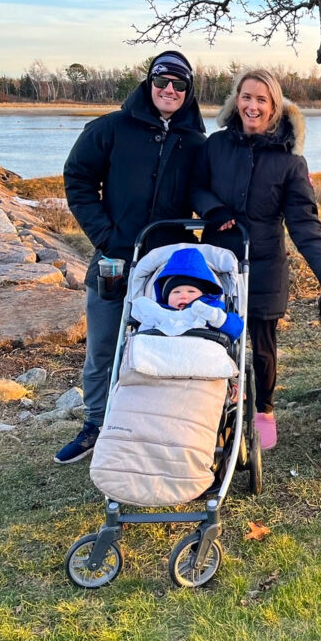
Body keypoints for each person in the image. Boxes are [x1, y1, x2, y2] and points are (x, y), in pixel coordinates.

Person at [54, 51, 207, 464]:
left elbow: (204, 192)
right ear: (148, 83)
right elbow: (78, 179)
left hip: (165, 267)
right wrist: (105, 235)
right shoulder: (111, 128)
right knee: (104, 347)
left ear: (189, 91)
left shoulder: (195, 141)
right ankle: (95, 425)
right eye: (162, 81)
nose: (169, 90)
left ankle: (151, 427)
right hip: (113, 260)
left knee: (161, 344)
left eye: (179, 84)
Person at [191, 67, 321, 450]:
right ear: (235, 101)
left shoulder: (290, 162)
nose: (252, 106)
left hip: (265, 265)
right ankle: (219, 403)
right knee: (213, 333)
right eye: (246, 97)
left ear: (274, 107)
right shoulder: (215, 145)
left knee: (262, 345)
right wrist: (213, 209)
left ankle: (265, 409)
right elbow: (195, 186)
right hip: (218, 259)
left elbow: (305, 226)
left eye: (261, 99)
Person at [129, 246, 243, 339]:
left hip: (203, 358)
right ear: (166, 297)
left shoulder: (210, 308)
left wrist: (217, 318)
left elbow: (235, 329)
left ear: (203, 294)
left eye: (191, 291)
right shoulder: (158, 311)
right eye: (176, 292)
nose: (183, 296)